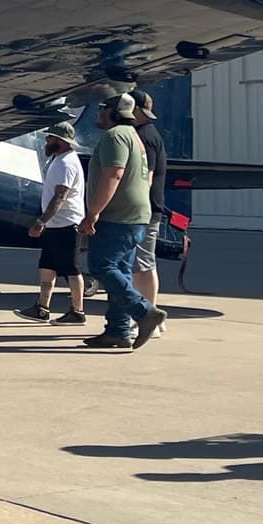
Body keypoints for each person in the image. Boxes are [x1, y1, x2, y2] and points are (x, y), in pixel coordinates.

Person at [78, 92, 167, 349]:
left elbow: (113, 175)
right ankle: (118, 330)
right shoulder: (135, 137)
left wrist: (92, 212)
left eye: (102, 108)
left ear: (113, 113)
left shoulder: (115, 136)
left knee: (101, 265)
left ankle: (144, 312)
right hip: (136, 216)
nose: (98, 113)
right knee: (123, 272)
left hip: (117, 216)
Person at [13, 121, 86, 325]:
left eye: (50, 137)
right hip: (56, 224)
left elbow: (59, 196)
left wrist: (41, 221)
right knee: (47, 266)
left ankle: (77, 312)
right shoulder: (58, 159)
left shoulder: (66, 163)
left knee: (71, 268)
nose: (47, 140)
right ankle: (42, 308)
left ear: (61, 141)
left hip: (67, 223)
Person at [130, 88, 167, 337]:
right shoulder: (150, 133)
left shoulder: (143, 136)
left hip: (145, 210)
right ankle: (152, 314)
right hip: (149, 208)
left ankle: (149, 316)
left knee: (141, 265)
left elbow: (147, 177)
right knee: (144, 263)